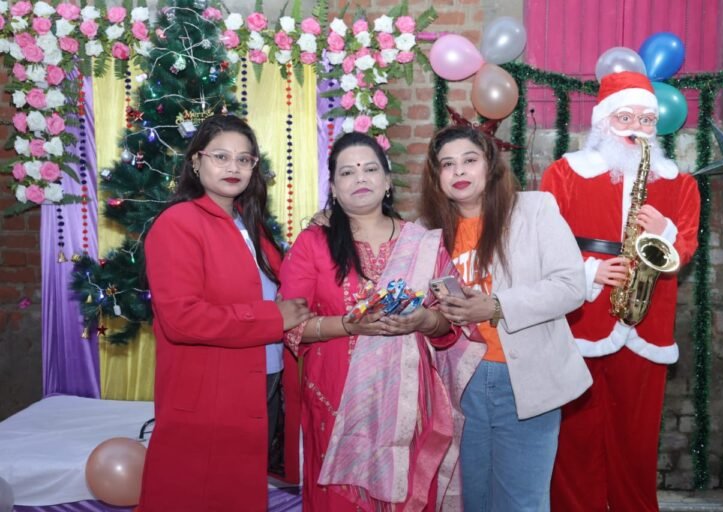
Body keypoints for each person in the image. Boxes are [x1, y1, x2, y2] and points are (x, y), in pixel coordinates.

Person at [278, 132, 485, 511]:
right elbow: (290, 325)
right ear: (333, 188)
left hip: (407, 406)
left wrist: (424, 320)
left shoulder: (421, 242)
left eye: (370, 169)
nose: (360, 178)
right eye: (347, 172)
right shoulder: (313, 243)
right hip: (337, 402)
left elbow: (452, 323)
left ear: (387, 181)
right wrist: (348, 325)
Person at [540, 71, 701, 511]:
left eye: (646, 120)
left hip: (648, 321)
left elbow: (685, 246)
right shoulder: (566, 173)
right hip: (582, 318)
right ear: (602, 120)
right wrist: (589, 272)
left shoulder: (679, 182)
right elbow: (543, 243)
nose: (636, 128)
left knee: (637, 438)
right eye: (625, 117)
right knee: (575, 436)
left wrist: (664, 230)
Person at [139, 114, 311, 511]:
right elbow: (182, 319)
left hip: (264, 383)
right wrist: (273, 319)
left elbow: (284, 291)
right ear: (196, 161)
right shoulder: (177, 223)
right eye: (221, 156)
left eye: (244, 159)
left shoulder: (253, 227)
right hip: (211, 394)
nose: (233, 167)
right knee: (198, 495)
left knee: (241, 494)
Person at [420, 122, 593, 511]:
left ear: (490, 165)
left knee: (521, 503)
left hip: (525, 379)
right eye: (447, 164)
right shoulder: (425, 232)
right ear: (436, 177)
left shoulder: (534, 209)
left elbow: (571, 286)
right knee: (468, 502)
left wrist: (496, 305)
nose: (459, 171)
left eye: (469, 160)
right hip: (456, 385)